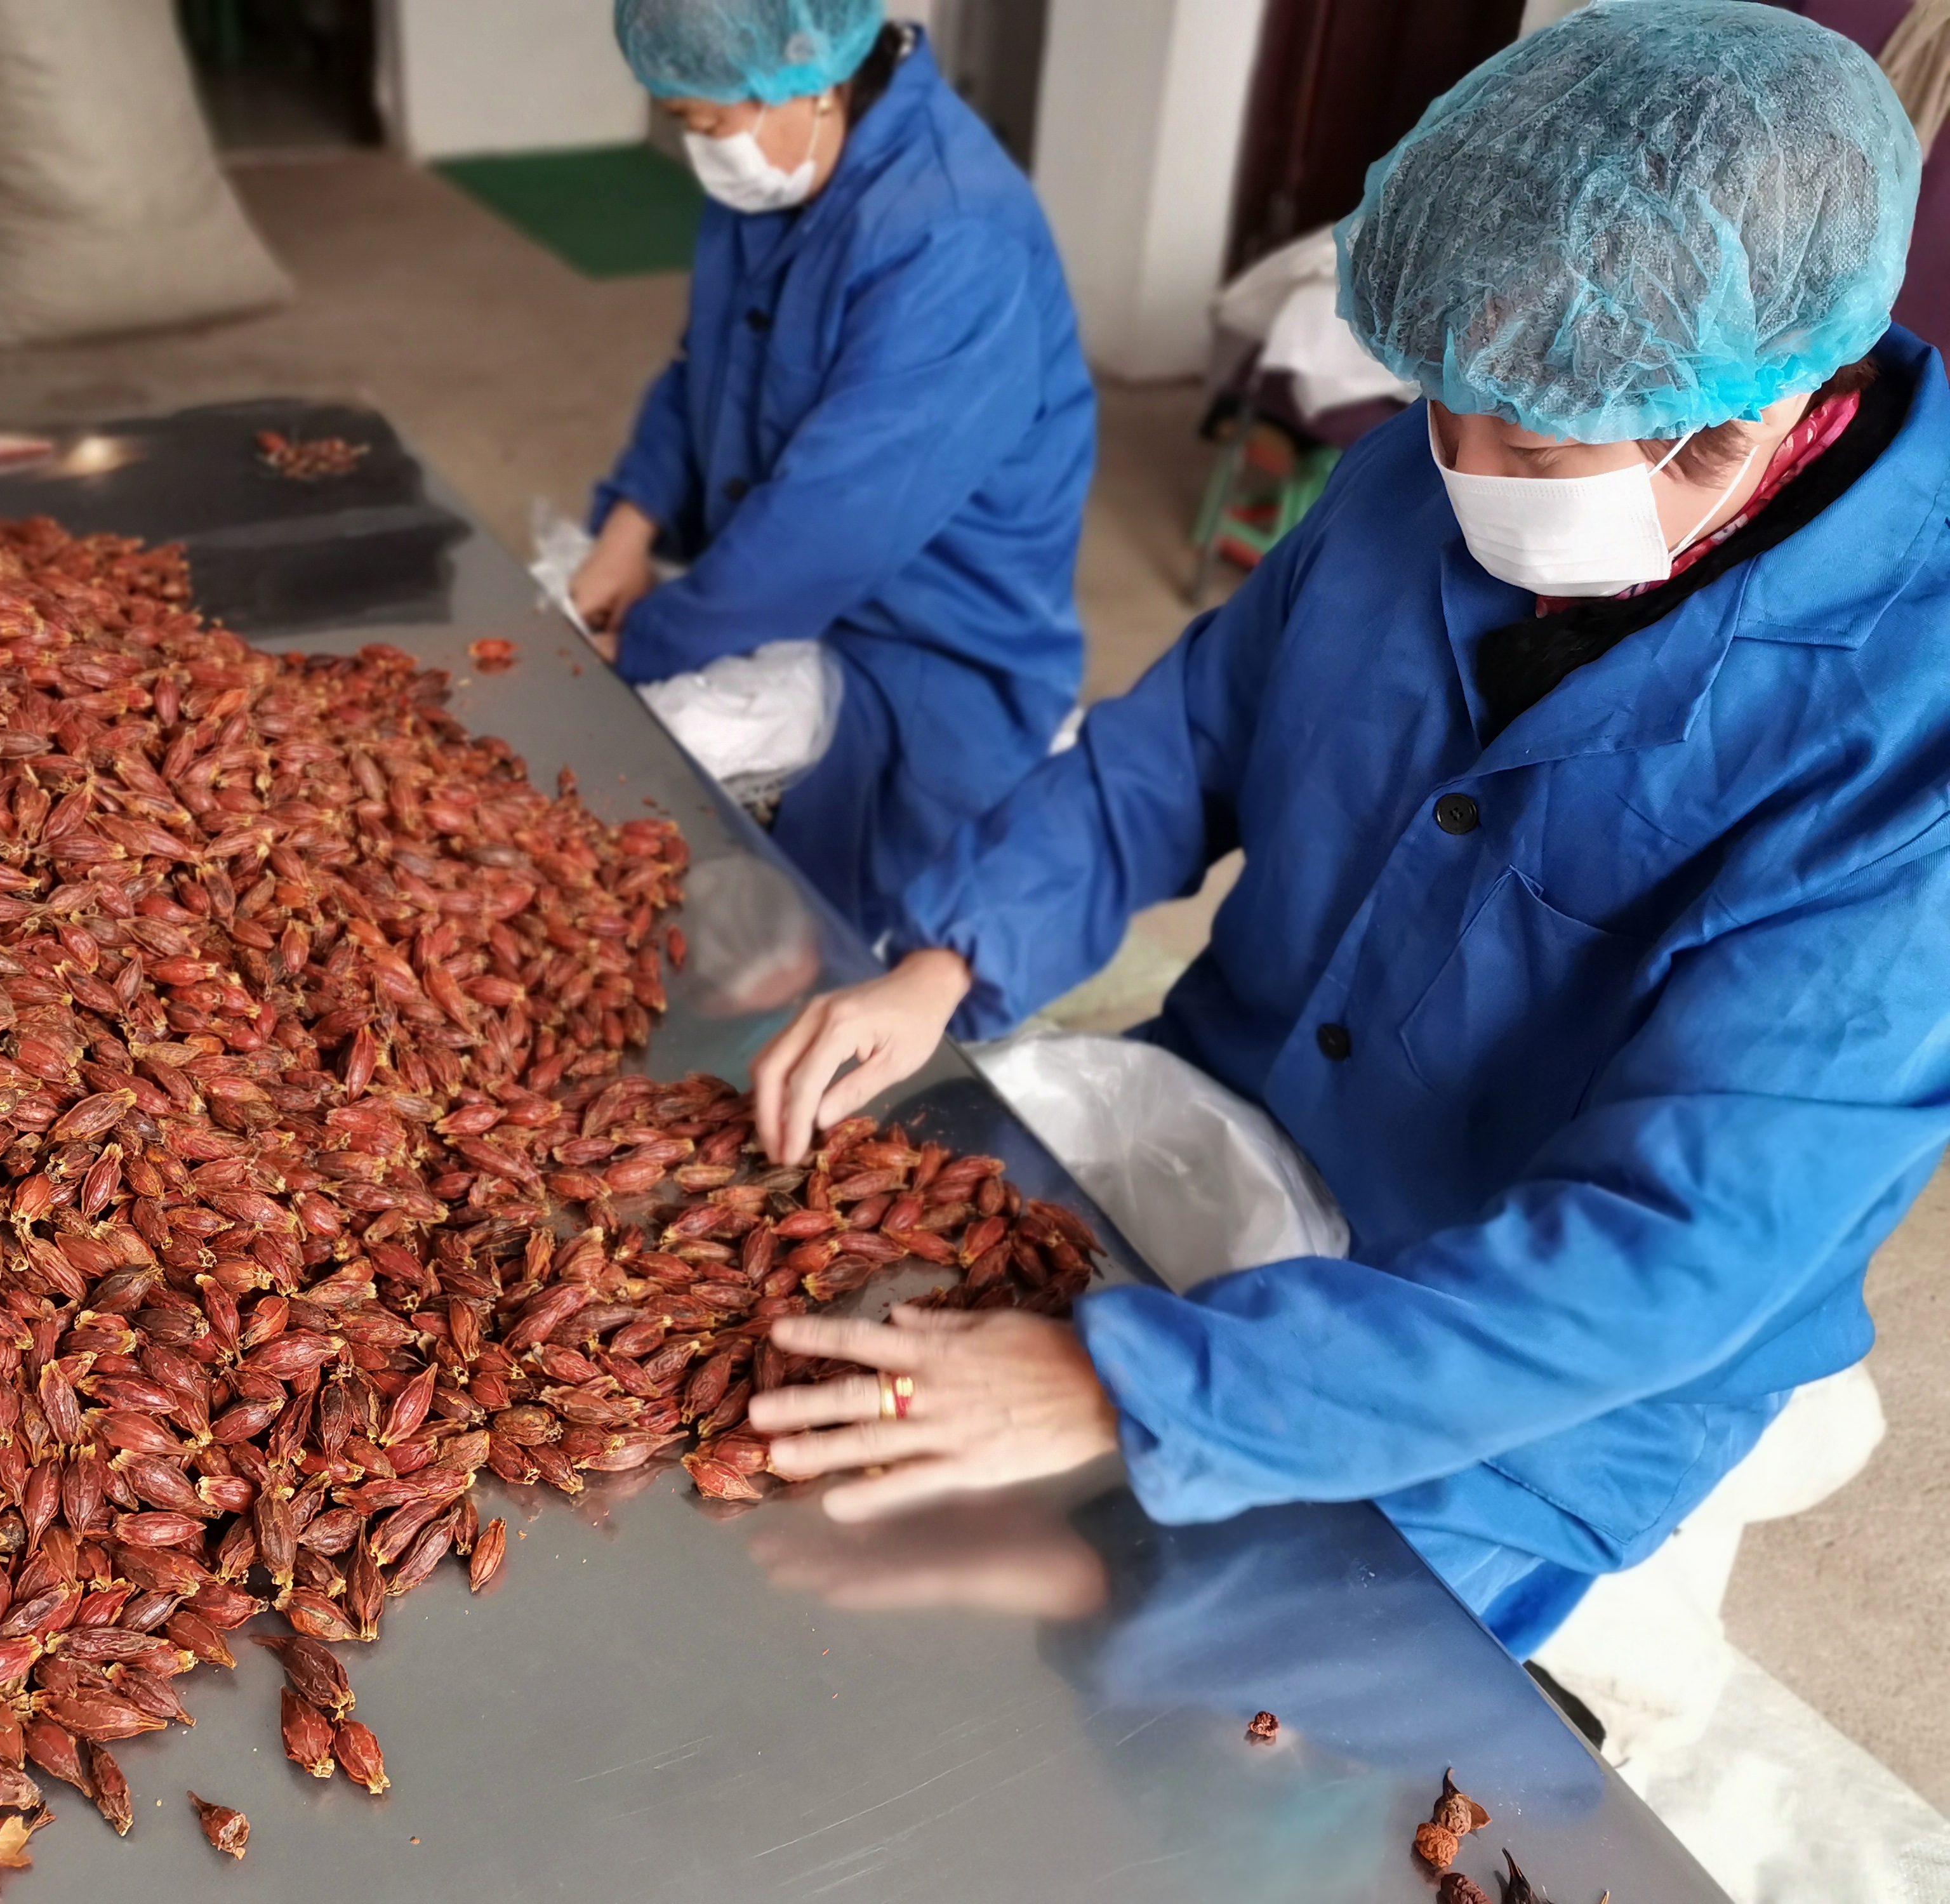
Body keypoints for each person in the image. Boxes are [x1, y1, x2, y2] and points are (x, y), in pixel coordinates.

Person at [741, 0, 1941, 1663]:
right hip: (1243, 1101)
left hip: (1526, 1378)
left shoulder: (1909, 751)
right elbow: (1177, 752)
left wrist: (1129, 1382)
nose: (1456, 470)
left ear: (1737, 423)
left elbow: (1672, 1252)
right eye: (1440, 404)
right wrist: (948, 961)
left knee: (1184, 1707)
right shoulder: (1430, 475)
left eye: (1523, 442)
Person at [574, 0, 1095, 939]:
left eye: (705, 125)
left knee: (848, 940)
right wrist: (629, 527)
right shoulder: (782, 169)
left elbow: (830, 525)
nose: (703, 151)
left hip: (934, 646)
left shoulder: (953, 238)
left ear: (807, 76)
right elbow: (708, 367)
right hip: (776, 586)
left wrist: (637, 648)